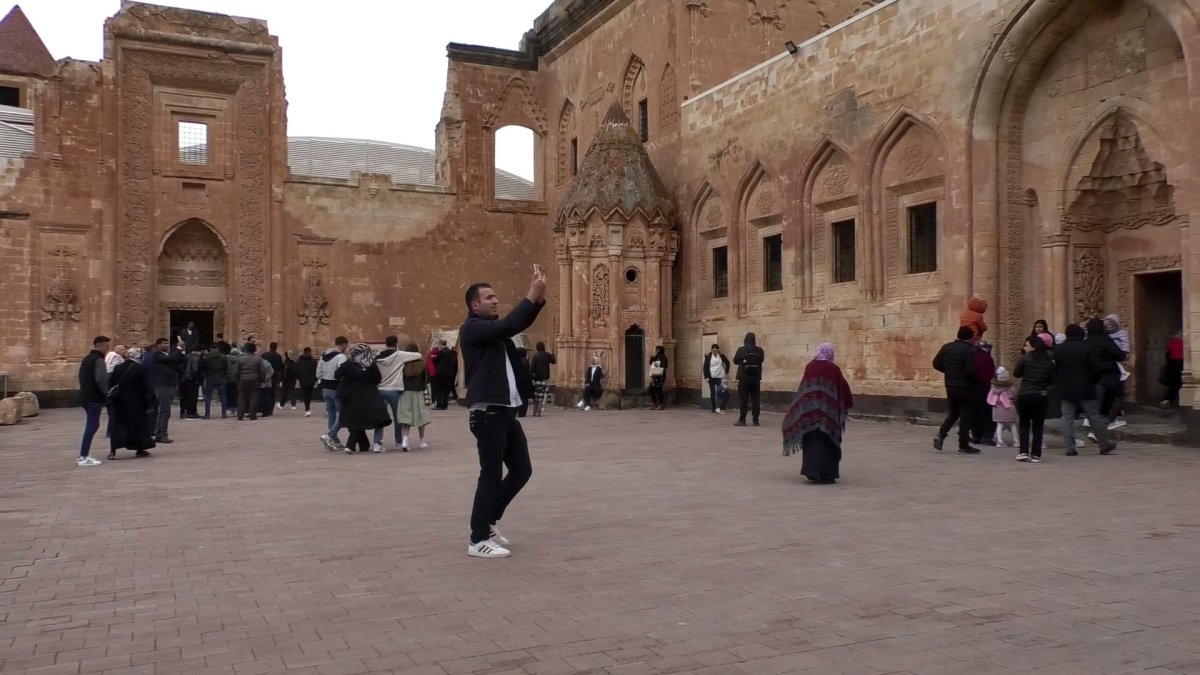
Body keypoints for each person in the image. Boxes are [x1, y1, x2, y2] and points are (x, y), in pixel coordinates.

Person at [459, 269, 546, 558]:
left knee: (522, 469)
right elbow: (510, 324)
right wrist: (530, 295)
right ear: (475, 305)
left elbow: (514, 325)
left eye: (495, 296)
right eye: (489, 297)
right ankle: (477, 538)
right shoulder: (473, 329)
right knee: (491, 475)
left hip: (505, 412)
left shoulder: (495, 332)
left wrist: (539, 297)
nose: (495, 300)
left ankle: (488, 520)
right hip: (487, 413)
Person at [782, 343, 853, 484]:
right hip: (829, 414)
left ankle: (811, 472)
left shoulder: (809, 366)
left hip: (809, 413)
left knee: (811, 441)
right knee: (828, 441)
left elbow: (804, 388)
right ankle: (827, 474)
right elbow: (843, 388)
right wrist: (847, 402)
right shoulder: (833, 368)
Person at [1055, 324, 1116, 455]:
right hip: (1086, 387)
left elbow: (1055, 369)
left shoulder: (1059, 349)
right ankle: (1104, 444)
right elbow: (1097, 368)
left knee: (1067, 418)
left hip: (1066, 388)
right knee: (1094, 416)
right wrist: (1093, 380)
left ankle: (1069, 447)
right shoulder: (1087, 348)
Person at [932, 326, 980, 454]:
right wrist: (975, 383)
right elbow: (971, 371)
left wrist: (949, 372)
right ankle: (963, 445)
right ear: (970, 337)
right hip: (964, 385)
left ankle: (941, 434)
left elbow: (936, 363)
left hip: (950, 384)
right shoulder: (968, 350)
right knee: (965, 413)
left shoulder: (946, 347)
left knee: (953, 412)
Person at [335, 343, 391, 454]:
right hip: (369, 395)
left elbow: (337, 374)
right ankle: (351, 445)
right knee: (362, 419)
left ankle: (363, 444)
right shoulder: (371, 365)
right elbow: (378, 379)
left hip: (352, 395)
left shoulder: (349, 364)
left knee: (355, 419)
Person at [107, 347, 156, 460]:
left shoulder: (118, 368)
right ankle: (139, 448)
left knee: (118, 425)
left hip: (119, 401)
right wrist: (150, 402)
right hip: (135, 402)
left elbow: (112, 383)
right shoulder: (141, 368)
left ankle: (113, 451)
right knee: (137, 426)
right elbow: (147, 386)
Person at [1014, 333, 1055, 462]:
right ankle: (1036, 454)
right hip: (1041, 395)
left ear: (1033, 346)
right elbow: (1052, 379)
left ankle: (1023, 451)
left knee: (1024, 424)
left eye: (1026, 345)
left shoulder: (1025, 359)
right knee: (1038, 426)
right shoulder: (1049, 360)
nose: (1025, 348)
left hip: (1025, 394)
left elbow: (1016, 374)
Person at [373, 337, 419, 452]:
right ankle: (398, 441)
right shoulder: (399, 355)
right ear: (396, 344)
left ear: (386, 344)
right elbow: (418, 355)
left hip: (381, 389)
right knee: (398, 417)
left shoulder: (378, 358)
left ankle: (377, 443)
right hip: (395, 389)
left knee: (380, 417)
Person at [1085, 317, 1126, 443]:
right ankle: (1105, 425)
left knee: (1096, 406)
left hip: (1094, 377)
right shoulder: (1105, 340)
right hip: (1110, 374)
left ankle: (1095, 431)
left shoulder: (1086, 342)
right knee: (1118, 398)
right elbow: (1119, 354)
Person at [77, 335, 111, 467]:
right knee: (92, 425)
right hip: (94, 398)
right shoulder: (99, 360)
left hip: (86, 396)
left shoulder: (87, 359)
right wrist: (107, 393)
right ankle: (83, 455)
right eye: (107, 346)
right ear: (101, 346)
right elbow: (101, 380)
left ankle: (84, 454)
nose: (108, 349)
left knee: (93, 424)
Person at [397, 342, 433, 448]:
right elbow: (428, 378)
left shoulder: (403, 364)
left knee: (406, 417)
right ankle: (421, 441)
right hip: (419, 392)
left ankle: (405, 440)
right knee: (421, 417)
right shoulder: (422, 364)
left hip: (405, 393)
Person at [317, 337, 350, 451]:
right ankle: (330, 435)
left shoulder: (324, 356)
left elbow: (319, 372)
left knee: (331, 414)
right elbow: (343, 372)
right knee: (342, 414)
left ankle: (333, 439)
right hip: (336, 388)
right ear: (344, 344)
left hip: (326, 388)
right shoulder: (341, 357)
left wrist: (322, 381)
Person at [151, 338, 182, 444]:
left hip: (169, 384)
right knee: (165, 411)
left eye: (167, 343)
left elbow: (177, 360)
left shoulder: (166, 355)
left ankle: (159, 433)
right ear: (158, 345)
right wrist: (178, 348)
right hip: (163, 385)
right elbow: (172, 359)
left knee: (164, 411)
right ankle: (162, 434)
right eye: (164, 343)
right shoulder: (157, 355)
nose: (167, 345)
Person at [1100, 314, 1129, 430]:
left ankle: (1108, 418)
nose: (1109, 327)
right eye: (1107, 325)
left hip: (1116, 368)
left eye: (1112, 325)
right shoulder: (1103, 337)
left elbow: (1124, 351)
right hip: (1108, 368)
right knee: (1114, 394)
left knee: (1116, 394)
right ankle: (1108, 419)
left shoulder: (1122, 335)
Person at [733, 332, 765, 427]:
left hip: (744, 378)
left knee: (744, 400)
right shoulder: (760, 350)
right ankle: (756, 420)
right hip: (755, 379)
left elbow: (735, 361)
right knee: (756, 399)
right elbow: (761, 360)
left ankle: (742, 420)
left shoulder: (741, 349)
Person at [972, 340, 997, 444]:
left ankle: (976, 435)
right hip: (985, 389)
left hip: (973, 388)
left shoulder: (972, 358)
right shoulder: (988, 359)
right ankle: (987, 435)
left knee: (976, 413)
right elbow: (991, 373)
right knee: (987, 413)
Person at [235, 343, 266, 421]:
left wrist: (238, 380)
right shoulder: (258, 359)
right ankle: (252, 415)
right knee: (254, 398)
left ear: (246, 349)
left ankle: (240, 415)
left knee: (241, 398)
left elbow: (235, 371)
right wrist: (262, 380)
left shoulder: (240, 358)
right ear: (254, 350)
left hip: (243, 380)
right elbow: (262, 371)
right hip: (254, 380)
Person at [988, 367, 1017, 448]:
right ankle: (1016, 441)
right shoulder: (1010, 388)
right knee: (1013, 425)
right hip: (1009, 407)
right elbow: (1014, 395)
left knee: (999, 425)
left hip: (997, 407)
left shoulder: (993, 388)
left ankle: (999, 441)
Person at [201, 342, 227, 419]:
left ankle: (207, 414)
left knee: (208, 397)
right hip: (220, 377)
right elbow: (226, 367)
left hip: (210, 378)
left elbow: (204, 368)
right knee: (223, 397)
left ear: (210, 348)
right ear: (218, 348)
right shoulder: (223, 356)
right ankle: (224, 414)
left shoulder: (206, 357)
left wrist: (206, 376)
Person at [703, 344, 730, 414]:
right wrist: (706, 377)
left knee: (720, 392)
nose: (715, 352)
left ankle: (720, 407)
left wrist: (726, 372)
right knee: (712, 393)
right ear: (711, 350)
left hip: (720, 376)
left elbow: (728, 362)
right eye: (714, 350)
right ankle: (713, 408)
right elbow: (705, 367)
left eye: (716, 350)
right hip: (711, 377)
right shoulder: (708, 356)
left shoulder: (721, 355)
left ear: (718, 350)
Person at [1162, 330, 1185, 408]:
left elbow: (1167, 354)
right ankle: (1169, 400)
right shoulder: (1184, 342)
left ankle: (1167, 400)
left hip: (1171, 364)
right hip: (1180, 363)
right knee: (1178, 384)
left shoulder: (1172, 341)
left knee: (1173, 385)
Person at [179, 346, 203, 420]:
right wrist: (197, 380)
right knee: (192, 397)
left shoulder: (187, 356)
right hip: (192, 380)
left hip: (185, 379)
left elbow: (183, 367)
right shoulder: (196, 358)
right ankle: (191, 413)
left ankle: (183, 412)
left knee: (185, 396)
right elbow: (195, 370)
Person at [295, 347, 319, 417]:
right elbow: (316, 371)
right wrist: (315, 379)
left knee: (305, 395)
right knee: (309, 394)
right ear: (309, 352)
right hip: (311, 381)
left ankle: (307, 409)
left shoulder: (299, 361)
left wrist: (299, 378)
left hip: (303, 381)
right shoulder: (314, 361)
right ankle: (307, 408)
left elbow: (296, 371)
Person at [648, 346, 668, 410]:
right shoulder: (656, 357)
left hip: (660, 376)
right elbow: (651, 363)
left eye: (657, 349)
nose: (656, 350)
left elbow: (664, 366)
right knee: (651, 389)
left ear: (660, 350)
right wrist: (653, 358)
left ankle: (661, 404)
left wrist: (657, 364)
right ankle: (654, 403)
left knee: (658, 389)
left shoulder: (663, 357)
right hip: (654, 375)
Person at [514, 347, 532, 417]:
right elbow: (528, 372)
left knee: (516, 397)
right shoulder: (525, 361)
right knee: (524, 398)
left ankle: (516, 411)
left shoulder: (515, 361)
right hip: (524, 382)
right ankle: (522, 412)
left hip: (517, 382)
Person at [223, 346, 240, 418]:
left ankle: (228, 409)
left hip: (227, 379)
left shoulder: (226, 358)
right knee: (236, 394)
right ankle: (236, 409)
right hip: (236, 379)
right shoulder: (240, 359)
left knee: (228, 394)